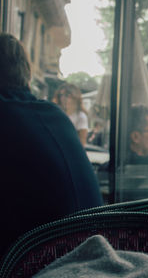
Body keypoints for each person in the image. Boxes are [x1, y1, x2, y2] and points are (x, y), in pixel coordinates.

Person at [0, 33, 103, 256]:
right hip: (97, 254)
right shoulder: (54, 114)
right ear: (25, 74)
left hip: (42, 264)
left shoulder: (5, 116)